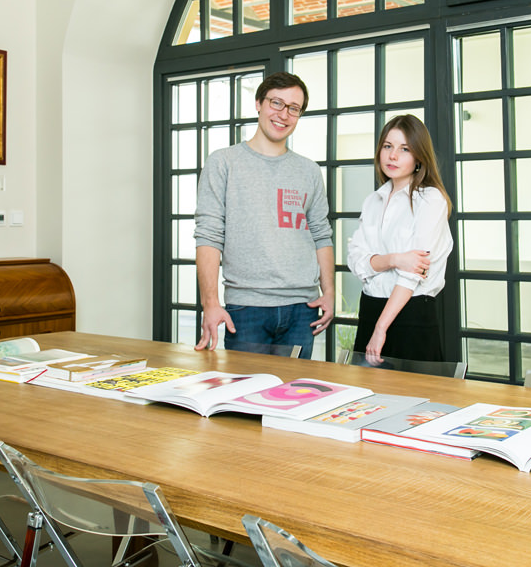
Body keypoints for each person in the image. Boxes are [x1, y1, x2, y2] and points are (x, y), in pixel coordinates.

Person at [193, 72, 334, 358]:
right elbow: (208, 235)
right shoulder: (223, 162)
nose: (284, 114)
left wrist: (329, 292)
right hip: (246, 309)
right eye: (276, 103)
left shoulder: (309, 170)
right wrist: (210, 303)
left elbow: (321, 234)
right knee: (245, 387)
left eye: (294, 108)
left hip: (302, 309)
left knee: (294, 388)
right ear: (259, 103)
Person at [347, 114, 453, 363]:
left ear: (419, 157)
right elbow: (356, 261)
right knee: (363, 387)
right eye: (387, 146)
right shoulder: (373, 201)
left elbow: (413, 273)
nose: (392, 156)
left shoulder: (430, 199)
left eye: (404, 149)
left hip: (410, 314)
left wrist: (381, 328)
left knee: (414, 388)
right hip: (370, 309)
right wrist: (395, 259)